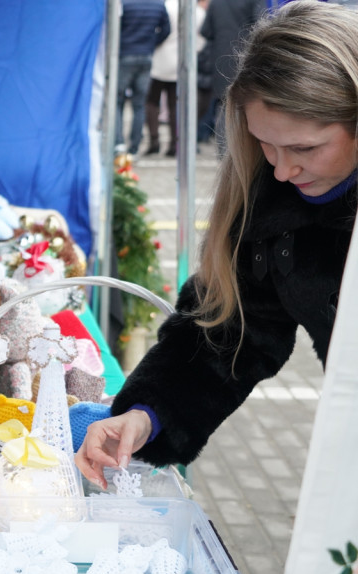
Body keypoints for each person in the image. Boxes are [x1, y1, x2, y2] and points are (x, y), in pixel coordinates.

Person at [77, 1, 358, 488]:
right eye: (265, 143)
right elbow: (231, 330)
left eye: (305, 148)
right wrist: (147, 413)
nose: (282, 170)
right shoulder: (271, 205)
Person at [196, 0, 264, 151]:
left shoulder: (215, 2)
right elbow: (261, 26)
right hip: (246, 60)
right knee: (248, 107)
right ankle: (246, 154)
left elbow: (206, 31)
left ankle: (224, 154)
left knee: (224, 107)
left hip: (221, 61)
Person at [115, 0, 171, 155]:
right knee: (139, 104)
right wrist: (151, 43)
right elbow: (166, 29)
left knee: (117, 101)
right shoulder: (158, 4)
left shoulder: (124, 4)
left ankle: (118, 144)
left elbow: (115, 28)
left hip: (124, 55)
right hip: (146, 56)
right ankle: (134, 146)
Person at [144, 0, 180, 157]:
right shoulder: (189, 8)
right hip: (178, 60)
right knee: (174, 105)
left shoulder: (162, 6)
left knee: (152, 101)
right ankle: (174, 143)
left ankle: (154, 141)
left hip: (159, 59)